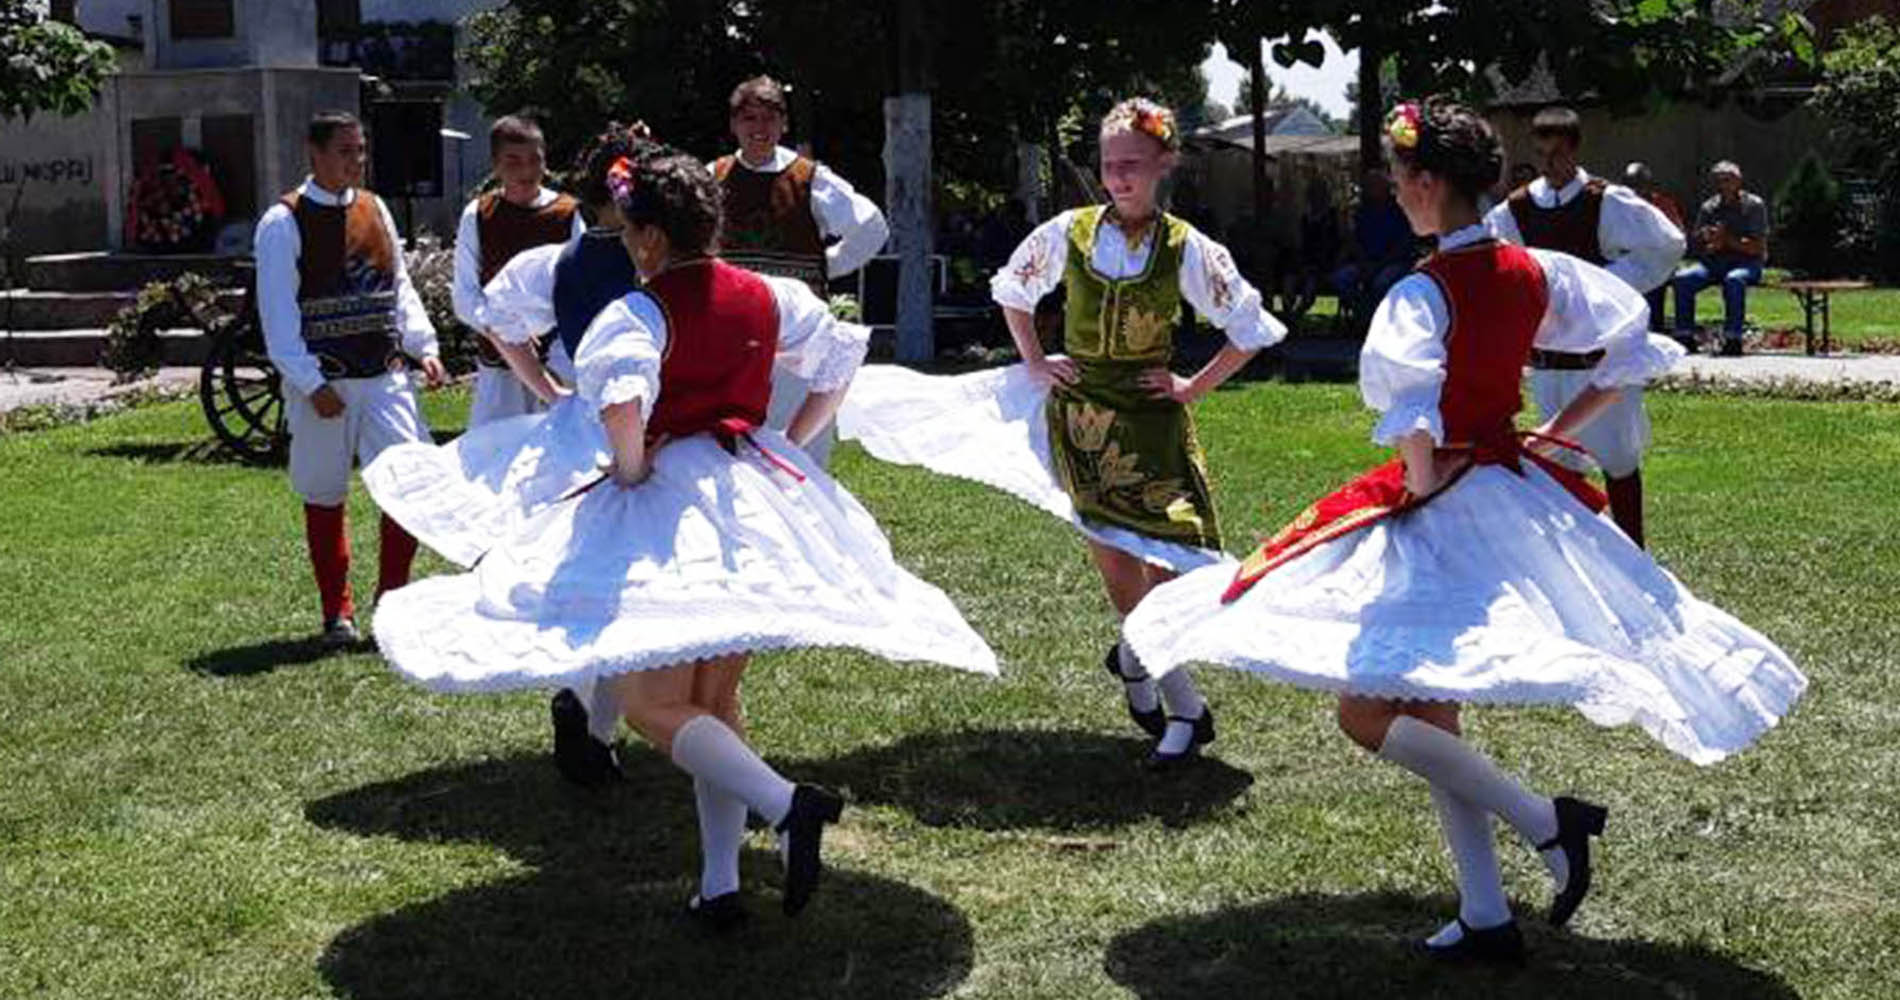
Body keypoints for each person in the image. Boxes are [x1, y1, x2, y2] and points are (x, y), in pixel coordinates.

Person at [1123, 98, 1804, 964]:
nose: (1395, 191)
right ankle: (1486, 909)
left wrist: (1421, 484)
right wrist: (1549, 433)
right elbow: (1627, 346)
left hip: (1445, 501)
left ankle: (1545, 821)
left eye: (1400, 177)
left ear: (1426, 183)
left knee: (1366, 710)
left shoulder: (1423, 291)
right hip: (1505, 492)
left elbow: (1412, 409)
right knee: (1429, 702)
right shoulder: (1537, 271)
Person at [362, 145, 997, 929]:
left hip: (672, 507)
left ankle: (785, 804)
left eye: (633, 232)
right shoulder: (771, 296)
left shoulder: (640, 312)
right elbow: (837, 364)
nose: (629, 244)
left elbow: (622, 404)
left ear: (652, 237)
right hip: (749, 496)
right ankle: (720, 885)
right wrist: (787, 445)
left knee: (648, 705)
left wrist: (630, 470)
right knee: (713, 701)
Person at [839, 98, 1286, 766]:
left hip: (1152, 423)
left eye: (1133, 164)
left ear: (1165, 163)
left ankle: (1135, 658)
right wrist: (1033, 361)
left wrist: (1193, 386)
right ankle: (1186, 706)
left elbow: (1250, 329)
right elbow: (1014, 292)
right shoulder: (1070, 233)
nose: (1119, 177)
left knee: (1174, 567)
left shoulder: (1186, 247)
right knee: (1117, 562)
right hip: (1081, 421)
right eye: (1109, 164)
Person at [467, 122, 653, 788]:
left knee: (590, 572)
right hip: (638, 422)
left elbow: (498, 320)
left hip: (579, 423)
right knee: (628, 581)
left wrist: (548, 389)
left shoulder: (558, 261)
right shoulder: (650, 259)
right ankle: (596, 725)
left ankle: (581, 705)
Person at [254, 111, 447, 648]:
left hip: (385, 376)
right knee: (324, 492)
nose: (356, 161)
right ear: (314, 153)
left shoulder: (374, 207)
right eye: (344, 151)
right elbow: (277, 314)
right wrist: (310, 383)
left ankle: (392, 603)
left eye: (360, 150)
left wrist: (424, 346)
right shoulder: (283, 222)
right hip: (327, 382)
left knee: (409, 486)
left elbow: (399, 286)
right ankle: (336, 613)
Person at [1485, 105, 1685, 549]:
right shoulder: (1516, 209)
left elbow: (1667, 245)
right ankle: (1580, 561)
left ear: (1574, 150)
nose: (1549, 165)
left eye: (1557, 154)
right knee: (1558, 465)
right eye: (1541, 155)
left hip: (1600, 362)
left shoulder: (1605, 200)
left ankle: (1634, 555)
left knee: (1618, 460)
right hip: (1549, 361)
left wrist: (1606, 286)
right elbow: (1494, 261)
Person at [711, 75, 889, 465]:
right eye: (749, 118)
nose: (759, 128)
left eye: (769, 118)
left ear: (784, 124)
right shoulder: (713, 178)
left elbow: (871, 228)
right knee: (728, 449)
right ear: (734, 124)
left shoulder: (810, 179)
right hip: (731, 337)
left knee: (799, 449)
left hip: (798, 338)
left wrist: (827, 266)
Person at [451, 114, 586, 428]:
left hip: (559, 362)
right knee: (493, 448)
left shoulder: (567, 214)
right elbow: (466, 296)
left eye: (534, 160)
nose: (526, 171)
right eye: (513, 161)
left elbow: (581, 287)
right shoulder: (479, 215)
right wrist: (507, 331)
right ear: (496, 165)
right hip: (498, 365)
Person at [1673, 161, 1768, 357]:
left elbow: (1757, 247)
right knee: (1683, 279)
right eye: (1718, 181)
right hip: (1714, 263)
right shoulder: (1709, 207)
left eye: (1727, 180)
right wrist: (1707, 239)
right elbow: (1697, 242)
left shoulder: (1754, 206)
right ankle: (1685, 336)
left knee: (1734, 280)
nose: (1723, 185)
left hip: (1746, 263)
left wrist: (1727, 240)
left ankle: (1733, 339)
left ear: (1738, 181)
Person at [1332, 169, 1416, 321]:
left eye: (1373, 186)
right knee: (1341, 278)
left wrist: (1379, 265)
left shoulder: (1398, 212)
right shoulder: (1362, 212)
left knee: (1382, 282)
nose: (1369, 189)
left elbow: (1402, 245)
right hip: (1365, 262)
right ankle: (1361, 314)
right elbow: (1355, 240)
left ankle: (1379, 318)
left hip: (1393, 262)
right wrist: (1363, 262)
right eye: (1368, 186)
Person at [1623, 161, 1688, 336]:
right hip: (1630, 259)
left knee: (1653, 276)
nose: (1635, 191)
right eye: (1631, 186)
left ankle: (1655, 326)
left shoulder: (1662, 204)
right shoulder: (1621, 204)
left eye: (1639, 186)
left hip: (1660, 260)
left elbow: (1678, 236)